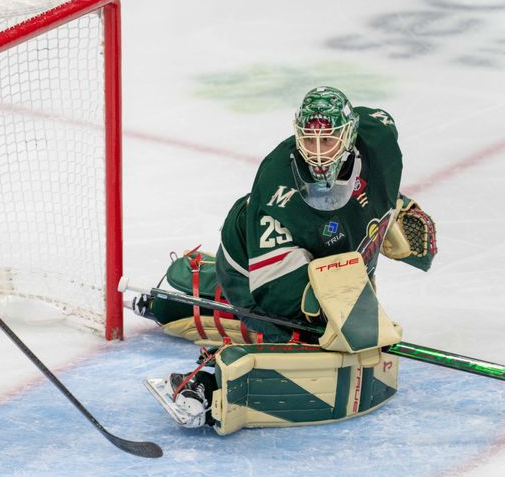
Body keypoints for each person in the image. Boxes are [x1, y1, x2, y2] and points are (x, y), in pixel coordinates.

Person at [142, 86, 436, 431]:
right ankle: (176, 306)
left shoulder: (377, 135)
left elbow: (373, 175)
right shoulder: (277, 184)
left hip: (328, 259)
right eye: (309, 140)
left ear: (350, 134)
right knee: (308, 337)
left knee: (350, 330)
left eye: (327, 140)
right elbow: (278, 294)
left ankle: (187, 286)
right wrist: (331, 311)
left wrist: (391, 209)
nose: (317, 152)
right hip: (252, 263)